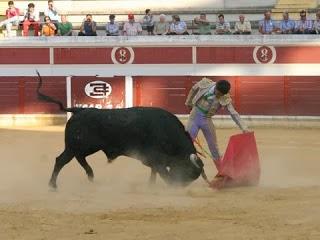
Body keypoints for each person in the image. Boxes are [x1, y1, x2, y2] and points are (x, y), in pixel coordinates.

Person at [185, 77, 248, 169]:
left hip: (207, 119)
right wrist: (189, 103)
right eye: (218, 92)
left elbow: (233, 112)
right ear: (216, 86)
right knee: (187, 143)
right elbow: (194, 89)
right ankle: (182, 167)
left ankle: (221, 171)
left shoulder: (225, 97)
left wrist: (244, 127)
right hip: (194, 116)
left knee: (213, 147)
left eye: (221, 95)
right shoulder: (206, 83)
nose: (218, 95)